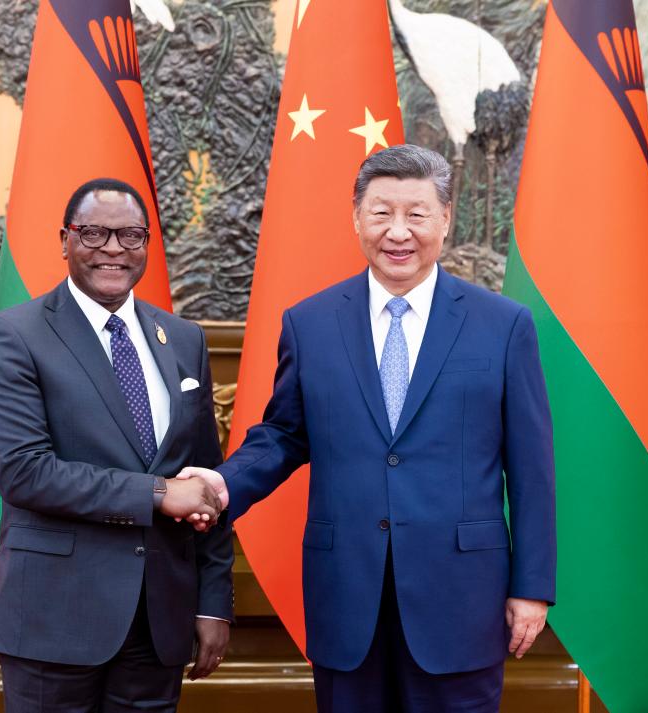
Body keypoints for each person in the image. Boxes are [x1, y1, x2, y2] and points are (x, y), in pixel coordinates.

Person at [180, 144, 556, 713]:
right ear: (357, 218)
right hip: (347, 595)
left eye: (416, 214)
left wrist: (531, 587)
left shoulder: (502, 326)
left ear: (445, 220)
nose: (398, 232)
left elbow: (531, 468)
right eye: (382, 213)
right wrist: (223, 484)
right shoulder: (310, 324)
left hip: (461, 597)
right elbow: (284, 434)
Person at [0, 178, 233, 713]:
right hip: (53, 619)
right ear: (64, 239)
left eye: (131, 235)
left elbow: (207, 477)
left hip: (159, 621)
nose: (113, 248)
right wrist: (158, 493)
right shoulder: (13, 335)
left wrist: (213, 604)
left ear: (147, 244)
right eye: (94, 233)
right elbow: (24, 472)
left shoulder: (184, 339)